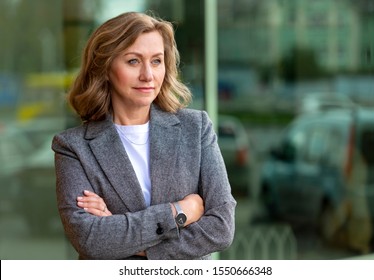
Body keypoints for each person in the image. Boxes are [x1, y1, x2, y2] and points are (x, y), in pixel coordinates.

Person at [51, 11, 236, 260]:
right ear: (105, 68)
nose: (148, 75)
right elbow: (91, 239)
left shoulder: (196, 128)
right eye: (133, 61)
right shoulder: (73, 147)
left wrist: (124, 236)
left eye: (156, 61)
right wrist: (180, 212)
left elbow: (221, 228)